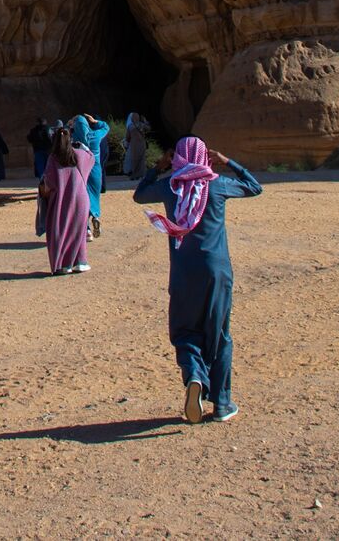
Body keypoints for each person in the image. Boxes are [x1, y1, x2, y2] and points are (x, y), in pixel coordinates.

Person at [132, 137, 262, 424]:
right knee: (219, 333)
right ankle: (223, 404)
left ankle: (194, 377)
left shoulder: (170, 187)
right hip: (217, 272)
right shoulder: (217, 185)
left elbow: (139, 195)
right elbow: (255, 186)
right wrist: (228, 161)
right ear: (207, 157)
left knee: (185, 331)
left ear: (176, 158)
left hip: (183, 273)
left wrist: (158, 167)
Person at [40, 128, 94, 275]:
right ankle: (80, 262)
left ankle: (63, 265)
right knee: (78, 231)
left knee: (60, 231)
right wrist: (83, 147)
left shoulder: (53, 158)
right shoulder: (78, 154)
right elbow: (91, 157)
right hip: (81, 199)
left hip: (61, 200)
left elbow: (49, 182)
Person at [70, 115, 109, 238]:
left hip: (80, 171)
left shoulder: (72, 138)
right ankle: (95, 216)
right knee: (94, 196)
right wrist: (95, 121)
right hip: (95, 171)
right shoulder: (95, 135)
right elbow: (106, 127)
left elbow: (58, 134)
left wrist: (69, 123)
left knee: (81, 200)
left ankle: (86, 230)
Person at [123, 112, 152, 180]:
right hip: (142, 144)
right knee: (141, 160)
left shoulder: (130, 126)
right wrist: (145, 121)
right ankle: (141, 174)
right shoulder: (142, 125)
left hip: (134, 145)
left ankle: (135, 174)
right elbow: (149, 128)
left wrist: (126, 144)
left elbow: (127, 137)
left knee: (135, 159)